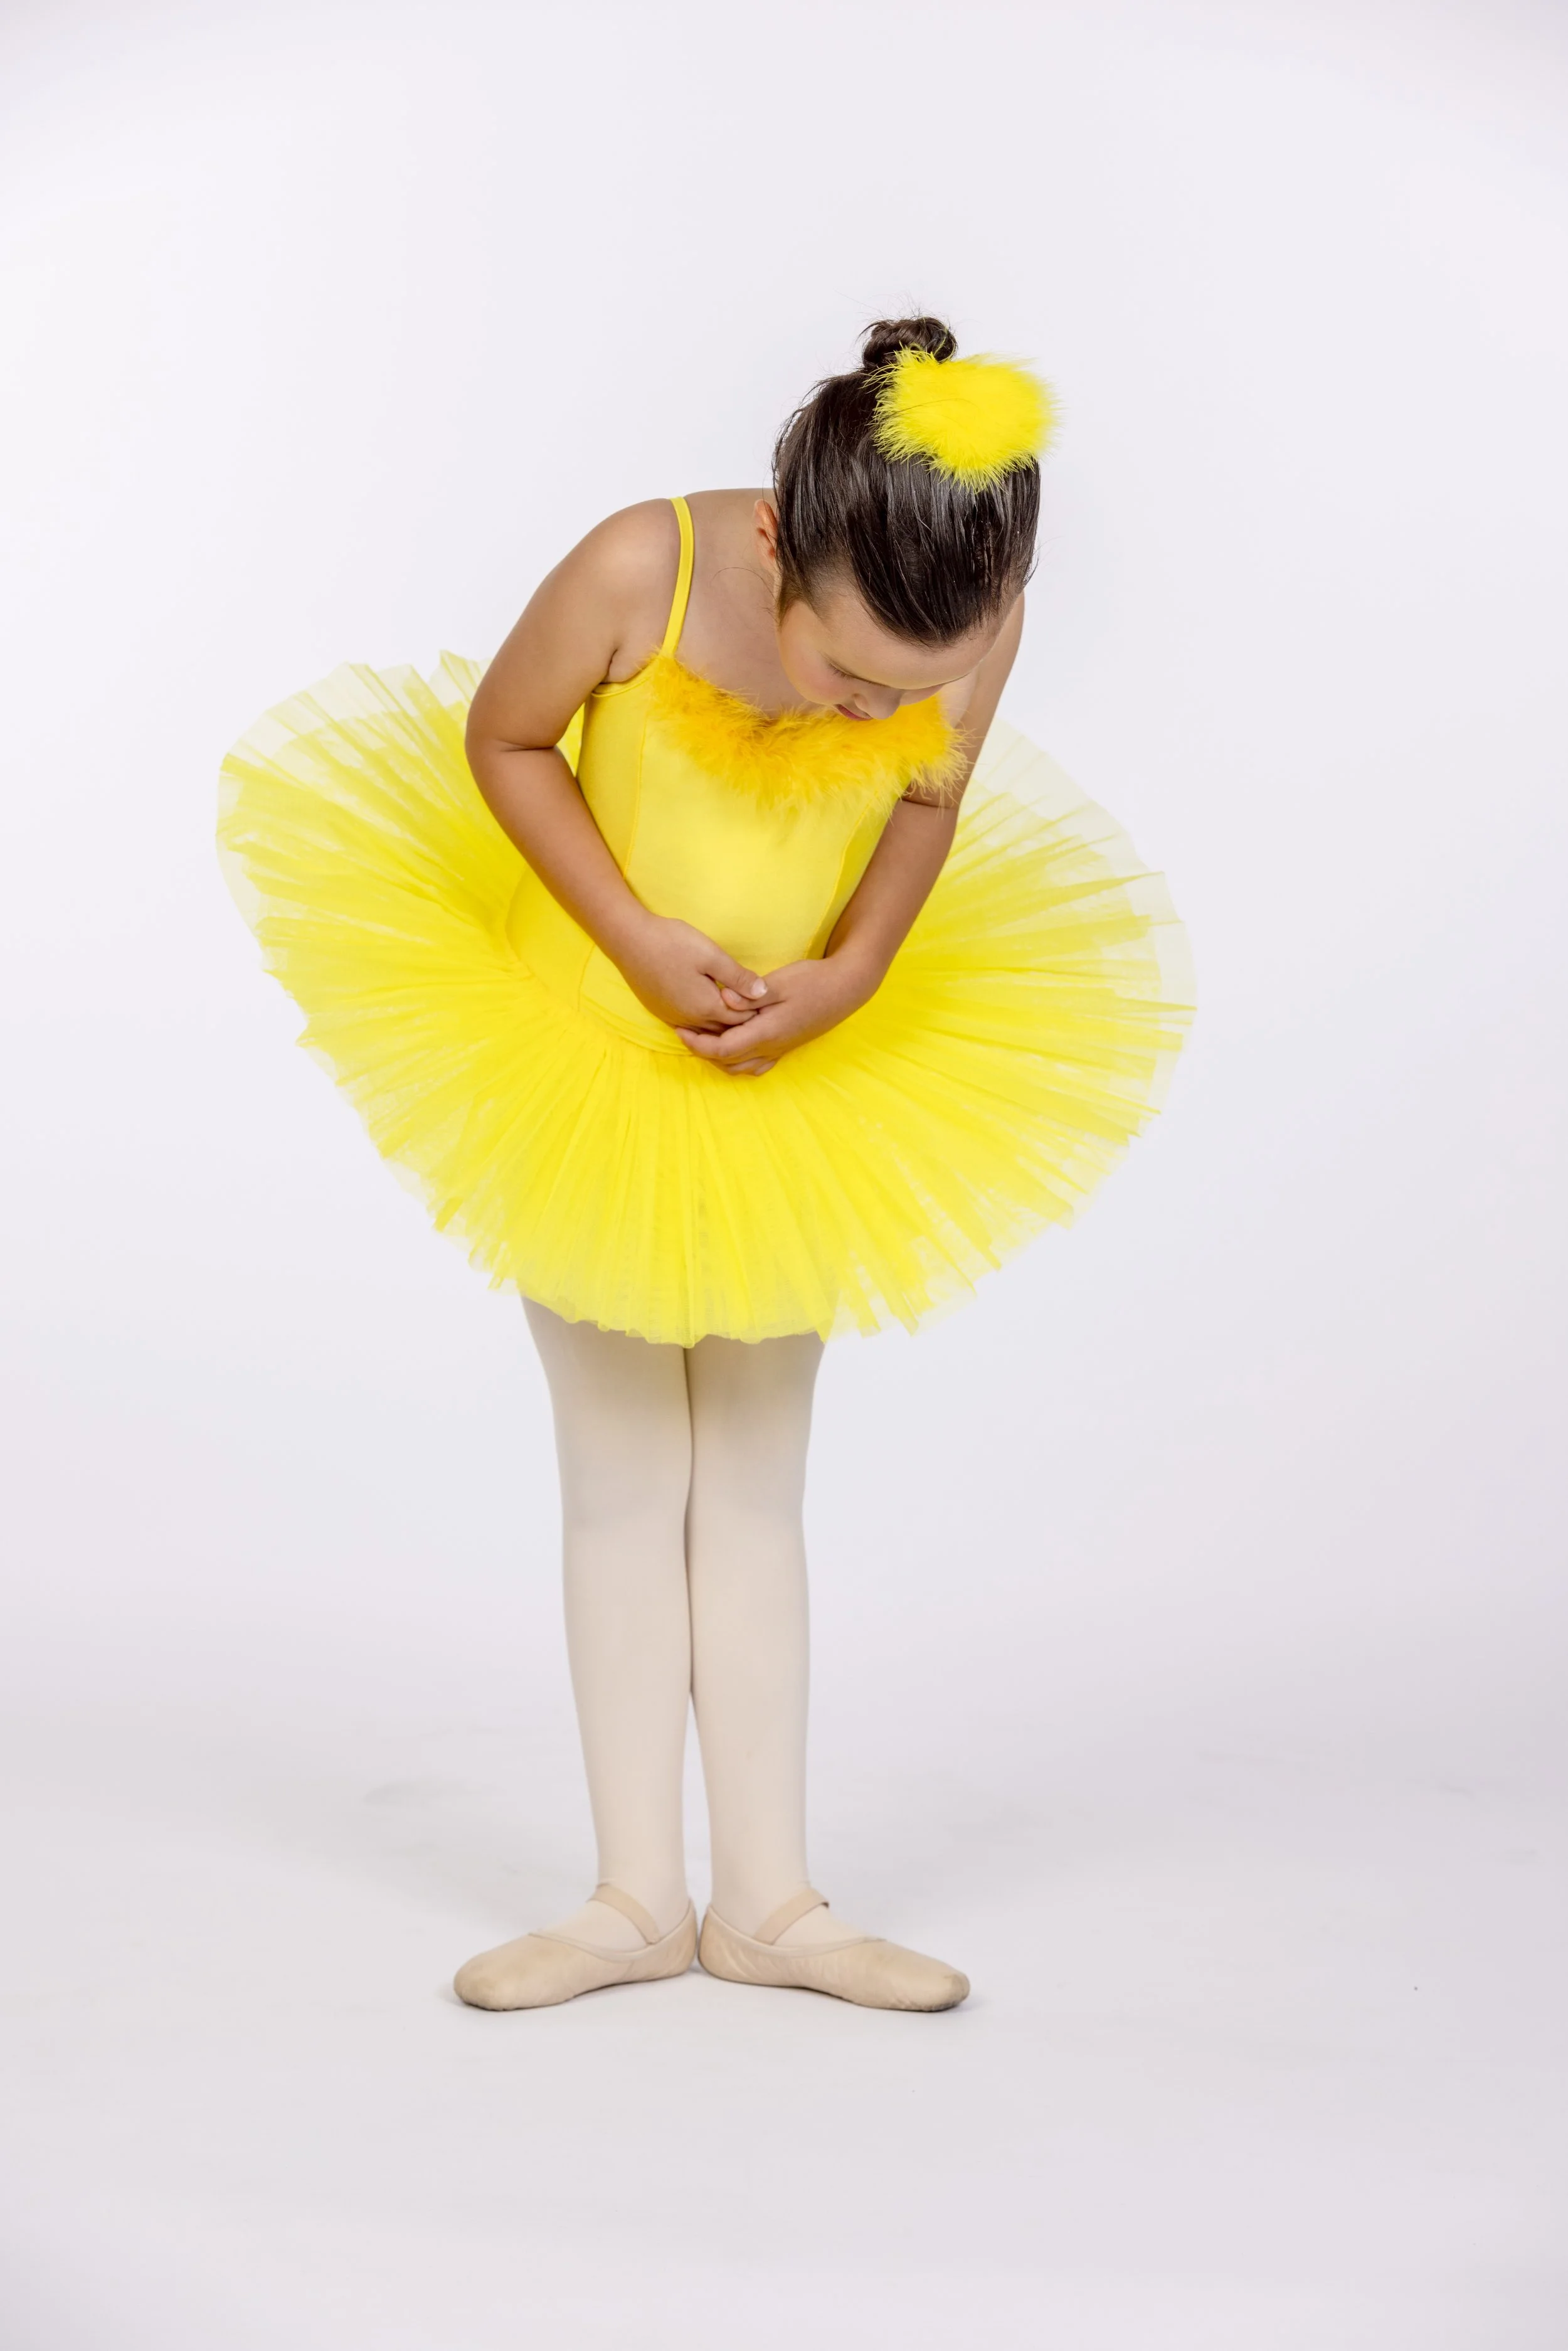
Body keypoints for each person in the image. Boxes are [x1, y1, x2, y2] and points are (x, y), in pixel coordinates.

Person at [217, 315, 1194, 2015]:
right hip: (585, 1051)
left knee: (751, 1475)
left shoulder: (967, 610)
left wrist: (857, 973)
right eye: (849, 680)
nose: (882, 708)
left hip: (786, 1065)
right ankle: (627, 1895)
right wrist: (636, 938)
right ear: (772, 549)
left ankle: (770, 1901)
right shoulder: (638, 566)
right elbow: (507, 741)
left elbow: (919, 808)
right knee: (621, 1473)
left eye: (913, 683)